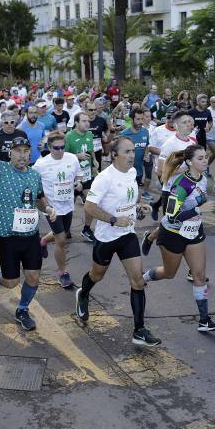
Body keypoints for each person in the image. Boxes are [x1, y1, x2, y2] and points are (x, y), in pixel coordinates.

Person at [0, 109, 56, 331]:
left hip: (30, 236)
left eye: (26, 151)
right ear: (10, 154)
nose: (22, 155)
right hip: (8, 237)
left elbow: (40, 198)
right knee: (11, 282)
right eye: (18, 151)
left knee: (32, 277)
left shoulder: (34, 174)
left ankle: (22, 309)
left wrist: (48, 208)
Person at [75, 136, 158, 345]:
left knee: (138, 281)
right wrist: (113, 220)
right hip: (106, 237)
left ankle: (139, 330)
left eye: (133, 151)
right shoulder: (104, 178)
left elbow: (132, 196)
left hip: (127, 234)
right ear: (114, 155)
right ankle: (83, 294)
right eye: (127, 152)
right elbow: (89, 207)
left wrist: (139, 205)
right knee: (97, 275)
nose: (132, 155)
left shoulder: (132, 172)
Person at [143, 145, 215, 331]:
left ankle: (204, 321)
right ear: (189, 162)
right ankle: (143, 277)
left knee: (199, 275)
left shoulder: (202, 178)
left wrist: (210, 207)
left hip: (194, 231)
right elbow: (171, 215)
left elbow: (198, 200)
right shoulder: (180, 185)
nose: (205, 161)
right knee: (169, 273)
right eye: (200, 158)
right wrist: (198, 209)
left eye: (205, 157)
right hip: (173, 234)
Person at [33, 131, 84, 288]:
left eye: (63, 147)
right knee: (61, 240)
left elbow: (79, 177)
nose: (60, 151)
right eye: (56, 148)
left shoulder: (72, 158)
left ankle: (43, 241)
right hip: (51, 208)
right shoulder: (41, 164)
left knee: (62, 234)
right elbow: (34, 185)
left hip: (68, 205)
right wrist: (44, 205)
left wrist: (79, 184)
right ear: (49, 147)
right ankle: (62, 273)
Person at [66, 112, 97, 242]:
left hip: (87, 174)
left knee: (91, 201)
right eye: (84, 121)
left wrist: (94, 161)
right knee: (69, 206)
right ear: (76, 123)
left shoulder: (89, 134)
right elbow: (63, 155)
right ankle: (65, 229)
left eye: (88, 121)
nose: (87, 123)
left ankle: (86, 229)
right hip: (72, 176)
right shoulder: (68, 137)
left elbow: (91, 150)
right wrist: (76, 156)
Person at [121, 108, 151, 201]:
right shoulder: (124, 134)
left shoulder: (145, 132)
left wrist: (146, 154)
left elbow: (146, 146)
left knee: (134, 197)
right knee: (124, 197)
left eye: (142, 119)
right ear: (132, 119)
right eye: (138, 119)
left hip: (138, 171)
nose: (140, 121)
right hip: (126, 172)